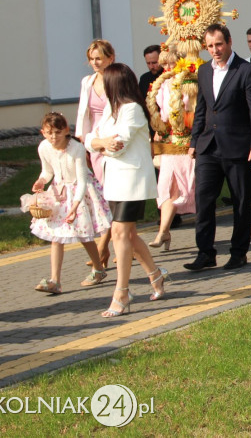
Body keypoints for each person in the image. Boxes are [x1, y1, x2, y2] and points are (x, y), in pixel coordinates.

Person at [85, 64, 169, 317]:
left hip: (132, 180)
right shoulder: (113, 110)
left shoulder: (132, 109)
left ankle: (122, 291)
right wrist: (101, 142)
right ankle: (156, 274)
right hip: (115, 180)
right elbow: (90, 139)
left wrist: (101, 143)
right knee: (128, 236)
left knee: (120, 233)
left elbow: (118, 146)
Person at [185, 23, 251, 271]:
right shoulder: (203, 71)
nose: (215, 50)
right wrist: (193, 142)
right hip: (208, 147)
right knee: (203, 200)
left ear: (230, 42)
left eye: (219, 44)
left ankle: (239, 252)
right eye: (210, 46)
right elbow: (202, 109)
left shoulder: (246, 70)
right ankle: (205, 252)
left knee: (240, 201)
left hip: (237, 147)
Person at [24, 112, 113, 294]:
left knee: (83, 233)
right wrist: (41, 181)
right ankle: (55, 280)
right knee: (57, 235)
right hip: (59, 191)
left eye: (57, 132)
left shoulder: (77, 148)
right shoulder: (44, 147)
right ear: (43, 133)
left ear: (66, 130)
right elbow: (47, 171)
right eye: (49, 133)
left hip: (81, 191)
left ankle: (98, 269)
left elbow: (81, 180)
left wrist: (75, 206)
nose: (54, 137)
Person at [147, 45, 197, 252]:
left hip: (189, 141)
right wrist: (159, 128)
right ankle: (163, 231)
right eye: (164, 63)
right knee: (166, 186)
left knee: (190, 187)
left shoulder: (191, 83)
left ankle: (205, 235)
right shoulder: (163, 84)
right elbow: (161, 112)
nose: (167, 67)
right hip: (170, 141)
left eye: (171, 62)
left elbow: (194, 112)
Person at [76, 39, 115, 270]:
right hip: (94, 143)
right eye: (91, 59)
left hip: (113, 141)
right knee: (101, 195)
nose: (95, 63)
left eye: (99, 58)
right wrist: (84, 142)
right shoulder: (87, 82)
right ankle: (111, 242)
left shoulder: (117, 79)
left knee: (112, 196)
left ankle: (103, 247)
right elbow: (84, 112)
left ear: (110, 57)